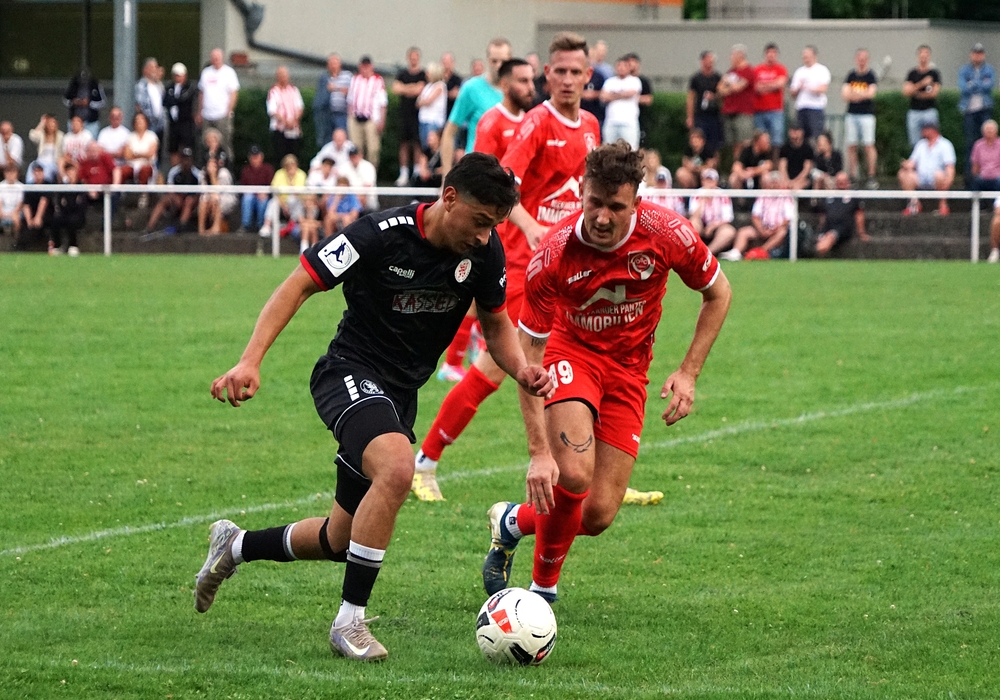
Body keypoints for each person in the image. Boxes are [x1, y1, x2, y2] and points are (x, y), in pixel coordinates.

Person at [196, 152, 552, 663]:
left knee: (340, 539)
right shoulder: (379, 234)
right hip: (347, 372)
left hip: (398, 396)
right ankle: (350, 623)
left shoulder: (485, 250)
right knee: (398, 467)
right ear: (449, 197)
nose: (483, 236)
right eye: (479, 221)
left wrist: (520, 369)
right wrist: (250, 360)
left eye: (493, 225)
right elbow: (300, 282)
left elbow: (496, 325)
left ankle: (234, 546)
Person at [481, 141, 731, 603]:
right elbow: (529, 355)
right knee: (573, 474)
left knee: (596, 514)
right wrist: (539, 451)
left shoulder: (667, 233)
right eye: (594, 202)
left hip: (630, 371)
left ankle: (512, 521)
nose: (601, 217)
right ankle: (541, 594)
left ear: (637, 201)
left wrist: (688, 372)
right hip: (570, 355)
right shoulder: (554, 253)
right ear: (582, 191)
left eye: (615, 207)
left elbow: (719, 293)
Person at [413, 32, 600, 503]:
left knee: (586, 363)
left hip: (572, 271)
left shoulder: (591, 125)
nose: (567, 79)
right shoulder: (536, 123)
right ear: (547, 75)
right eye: (560, 71)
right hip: (524, 268)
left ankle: (596, 473)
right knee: (496, 371)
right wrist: (532, 227)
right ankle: (425, 461)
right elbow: (501, 190)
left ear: (588, 76)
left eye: (576, 72)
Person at [435, 57, 535, 383]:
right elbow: (481, 172)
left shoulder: (531, 121)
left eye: (531, 80)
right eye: (522, 80)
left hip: (513, 220)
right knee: (480, 290)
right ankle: (454, 360)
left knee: (493, 293)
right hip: (492, 221)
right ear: (505, 84)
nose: (530, 87)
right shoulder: (492, 121)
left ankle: (472, 351)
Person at [441, 38, 512, 174]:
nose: (498, 66)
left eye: (503, 61)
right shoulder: (471, 88)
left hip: (506, 174)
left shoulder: (516, 91)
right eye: (494, 61)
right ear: (487, 60)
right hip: (477, 172)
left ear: (510, 60)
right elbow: (449, 132)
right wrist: (446, 178)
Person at [722, 171, 794, 261]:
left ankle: (760, 251)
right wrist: (761, 229)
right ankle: (736, 252)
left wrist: (773, 230)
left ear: (781, 184)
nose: (774, 185)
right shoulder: (763, 196)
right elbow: (755, 216)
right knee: (744, 232)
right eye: (772, 183)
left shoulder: (786, 197)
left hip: (777, 229)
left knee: (782, 232)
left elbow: (787, 219)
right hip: (763, 228)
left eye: (777, 183)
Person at [898, 119, 955, 216]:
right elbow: (912, 162)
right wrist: (906, 165)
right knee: (903, 174)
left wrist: (950, 178)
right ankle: (914, 204)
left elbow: (949, 166)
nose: (922, 131)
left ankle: (943, 204)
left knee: (940, 175)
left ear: (933, 130)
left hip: (937, 178)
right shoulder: (920, 144)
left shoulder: (945, 144)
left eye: (925, 129)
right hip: (921, 177)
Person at [841, 49, 879, 189]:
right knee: (851, 145)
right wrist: (861, 95)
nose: (862, 61)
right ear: (856, 59)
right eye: (859, 58)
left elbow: (871, 94)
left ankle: (871, 176)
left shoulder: (871, 76)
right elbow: (845, 94)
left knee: (868, 145)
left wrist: (854, 94)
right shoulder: (851, 75)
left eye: (864, 58)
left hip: (867, 115)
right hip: (852, 114)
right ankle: (852, 176)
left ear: (867, 60)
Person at [393, 47, 428, 185]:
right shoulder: (402, 73)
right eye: (411, 56)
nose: (413, 59)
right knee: (404, 143)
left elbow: (420, 89)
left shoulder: (423, 74)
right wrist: (412, 88)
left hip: (418, 115)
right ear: (408, 58)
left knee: (417, 143)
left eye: (416, 56)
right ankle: (403, 173)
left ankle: (417, 171)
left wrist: (405, 88)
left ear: (418, 58)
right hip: (404, 114)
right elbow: (396, 88)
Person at [959, 44, 995, 176]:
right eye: (975, 53)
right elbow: (963, 87)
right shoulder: (964, 70)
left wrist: (972, 83)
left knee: (986, 141)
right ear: (971, 55)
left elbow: (989, 85)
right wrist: (980, 83)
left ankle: (986, 173)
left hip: (984, 109)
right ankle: (970, 176)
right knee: (970, 143)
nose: (977, 56)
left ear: (983, 55)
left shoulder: (989, 69)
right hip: (969, 110)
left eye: (980, 53)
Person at [145, 148, 201, 234]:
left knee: (189, 201)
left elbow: (199, 193)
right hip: (176, 197)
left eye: (188, 159)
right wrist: (175, 198)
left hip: (191, 200)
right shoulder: (173, 172)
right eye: (184, 159)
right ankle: (150, 227)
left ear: (192, 160)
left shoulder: (198, 174)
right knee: (164, 200)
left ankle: (181, 226)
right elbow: (170, 189)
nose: (186, 162)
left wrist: (192, 199)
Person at [346, 57, 388, 170]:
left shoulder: (378, 80)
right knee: (356, 148)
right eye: (363, 67)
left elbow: (383, 103)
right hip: (356, 118)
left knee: (372, 149)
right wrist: (350, 117)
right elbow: (350, 100)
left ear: (371, 67)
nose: (365, 70)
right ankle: (357, 173)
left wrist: (382, 121)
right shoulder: (355, 79)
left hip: (371, 120)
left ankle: (371, 172)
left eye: (367, 67)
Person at [197, 48, 240, 156]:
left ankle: (227, 164)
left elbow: (234, 94)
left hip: (222, 115)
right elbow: (201, 93)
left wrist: (229, 111)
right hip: (207, 115)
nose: (215, 59)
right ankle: (207, 164)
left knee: (224, 144)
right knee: (205, 144)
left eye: (218, 57)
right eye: (214, 57)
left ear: (222, 58)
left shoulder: (229, 72)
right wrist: (199, 112)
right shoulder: (206, 72)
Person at [815, 171, 869, 257]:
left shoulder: (853, 197)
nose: (841, 183)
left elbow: (859, 215)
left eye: (843, 181)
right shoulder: (829, 196)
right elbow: (823, 215)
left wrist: (861, 233)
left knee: (830, 237)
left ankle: (817, 253)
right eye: (839, 181)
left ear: (848, 182)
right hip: (828, 226)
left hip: (843, 228)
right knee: (821, 237)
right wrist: (821, 228)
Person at [717, 44, 755, 160]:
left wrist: (728, 84)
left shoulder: (748, 71)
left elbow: (738, 87)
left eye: (732, 55)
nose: (731, 58)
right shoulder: (731, 71)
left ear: (740, 56)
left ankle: (745, 162)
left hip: (743, 111)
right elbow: (720, 88)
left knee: (744, 141)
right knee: (733, 143)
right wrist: (729, 87)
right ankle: (736, 163)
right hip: (729, 111)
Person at [688, 168, 737, 253]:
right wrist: (703, 200)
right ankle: (693, 252)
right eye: (707, 180)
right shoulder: (696, 194)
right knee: (693, 223)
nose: (709, 183)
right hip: (701, 224)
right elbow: (693, 215)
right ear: (702, 181)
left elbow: (727, 218)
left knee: (729, 231)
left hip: (717, 226)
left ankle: (708, 252)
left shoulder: (723, 195)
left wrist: (713, 226)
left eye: (711, 180)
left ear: (716, 182)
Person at [753, 43, 788, 158]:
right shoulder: (757, 69)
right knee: (760, 139)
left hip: (776, 110)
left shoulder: (781, 69)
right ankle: (761, 162)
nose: (771, 56)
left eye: (773, 53)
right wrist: (772, 85)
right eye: (769, 53)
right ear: (765, 55)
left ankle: (775, 164)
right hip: (759, 110)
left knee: (776, 139)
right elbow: (756, 87)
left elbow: (780, 84)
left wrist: (764, 86)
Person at [789, 46, 830, 143]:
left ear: (814, 56)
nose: (805, 58)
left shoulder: (822, 70)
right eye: (804, 56)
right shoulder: (799, 72)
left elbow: (823, 88)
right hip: (801, 108)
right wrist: (799, 88)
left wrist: (808, 88)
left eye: (807, 56)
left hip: (816, 108)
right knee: (801, 137)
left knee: (816, 136)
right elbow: (793, 93)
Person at [260, 154, 307, 238]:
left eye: (292, 166)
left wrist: (291, 182)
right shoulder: (279, 173)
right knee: (273, 202)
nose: (290, 169)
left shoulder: (301, 174)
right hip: (281, 202)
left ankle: (293, 226)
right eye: (288, 167)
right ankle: (267, 225)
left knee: (293, 199)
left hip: (296, 203)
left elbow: (300, 194)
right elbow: (274, 191)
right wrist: (283, 205)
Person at [903, 45, 941, 147]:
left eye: (926, 54)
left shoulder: (934, 74)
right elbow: (906, 92)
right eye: (921, 54)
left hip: (929, 111)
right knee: (915, 143)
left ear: (929, 56)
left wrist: (916, 93)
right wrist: (922, 84)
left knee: (932, 141)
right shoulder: (912, 74)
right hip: (914, 112)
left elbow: (934, 93)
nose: (923, 56)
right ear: (918, 56)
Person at [600, 56, 642, 149]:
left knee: (630, 149)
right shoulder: (609, 81)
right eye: (619, 65)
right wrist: (622, 95)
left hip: (628, 123)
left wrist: (613, 95)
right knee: (608, 149)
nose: (621, 68)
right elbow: (603, 96)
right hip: (611, 122)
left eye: (624, 66)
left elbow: (631, 93)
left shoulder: (634, 81)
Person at [686, 51, 723, 154]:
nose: (710, 62)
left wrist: (714, 96)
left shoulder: (717, 77)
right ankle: (698, 160)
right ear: (702, 61)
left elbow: (722, 95)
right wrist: (690, 117)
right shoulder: (696, 78)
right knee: (698, 141)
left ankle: (713, 161)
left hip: (714, 115)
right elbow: (691, 98)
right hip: (700, 115)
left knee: (714, 143)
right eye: (708, 59)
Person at [314, 54, 353, 149]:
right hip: (328, 113)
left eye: (335, 63)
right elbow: (319, 98)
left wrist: (340, 90)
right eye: (331, 64)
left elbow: (353, 92)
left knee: (342, 138)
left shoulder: (347, 76)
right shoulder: (324, 78)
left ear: (340, 64)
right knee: (327, 140)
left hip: (342, 113)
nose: (333, 66)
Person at [267, 66, 305, 161]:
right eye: (281, 75)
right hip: (280, 130)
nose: (284, 78)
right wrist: (285, 122)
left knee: (295, 156)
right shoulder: (273, 91)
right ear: (277, 77)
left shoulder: (294, 90)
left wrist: (294, 120)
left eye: (285, 75)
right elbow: (272, 111)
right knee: (281, 157)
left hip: (294, 129)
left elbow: (300, 107)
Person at [49, 162, 87, 257]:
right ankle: (58, 246)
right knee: (55, 220)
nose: (70, 174)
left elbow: (81, 204)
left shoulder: (81, 186)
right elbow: (60, 203)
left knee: (73, 220)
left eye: (72, 171)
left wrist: (69, 204)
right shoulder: (63, 187)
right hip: (65, 213)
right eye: (68, 172)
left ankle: (73, 245)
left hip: (78, 214)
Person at [163, 62, 198, 165]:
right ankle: (175, 169)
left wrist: (174, 101)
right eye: (176, 75)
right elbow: (165, 101)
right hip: (173, 124)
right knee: (173, 148)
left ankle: (186, 168)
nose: (178, 78)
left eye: (180, 75)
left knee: (187, 148)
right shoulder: (169, 87)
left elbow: (184, 99)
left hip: (185, 123)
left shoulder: (189, 87)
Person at [239, 144, 274, 233]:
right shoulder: (245, 170)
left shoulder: (268, 169)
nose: (255, 159)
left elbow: (271, 185)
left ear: (261, 157)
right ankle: (245, 226)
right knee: (247, 198)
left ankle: (261, 225)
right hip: (250, 195)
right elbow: (242, 187)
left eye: (257, 157)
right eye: (253, 157)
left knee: (263, 201)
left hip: (264, 196)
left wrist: (265, 193)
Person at [197, 157, 236, 236]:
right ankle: (201, 230)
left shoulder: (224, 173)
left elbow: (219, 191)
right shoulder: (203, 173)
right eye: (210, 165)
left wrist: (213, 176)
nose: (212, 167)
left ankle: (216, 228)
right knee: (203, 201)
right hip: (210, 197)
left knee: (217, 200)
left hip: (226, 198)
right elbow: (203, 191)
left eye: (214, 165)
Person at [63, 68, 105, 138]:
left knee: (91, 141)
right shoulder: (73, 85)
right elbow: (65, 99)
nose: (83, 80)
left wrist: (89, 103)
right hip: (75, 122)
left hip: (91, 123)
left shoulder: (95, 85)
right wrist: (73, 102)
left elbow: (102, 102)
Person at [17, 162, 51, 248]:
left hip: (45, 215)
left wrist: (38, 217)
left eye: (39, 171)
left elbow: (44, 201)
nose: (37, 174)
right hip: (31, 215)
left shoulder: (48, 185)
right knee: (24, 226)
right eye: (35, 172)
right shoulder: (30, 187)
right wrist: (29, 221)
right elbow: (26, 205)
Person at [416, 62, 448, 151]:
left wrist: (422, 101)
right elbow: (419, 101)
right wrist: (422, 101)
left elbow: (429, 101)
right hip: (424, 119)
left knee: (432, 144)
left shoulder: (440, 85)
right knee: (424, 145)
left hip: (433, 120)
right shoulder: (428, 86)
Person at [123, 112, 159, 187]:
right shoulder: (130, 136)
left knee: (144, 171)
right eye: (137, 120)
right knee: (123, 171)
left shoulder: (152, 136)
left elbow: (150, 154)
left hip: (147, 165)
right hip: (132, 165)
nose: (139, 122)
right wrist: (143, 154)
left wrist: (135, 154)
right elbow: (127, 155)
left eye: (141, 120)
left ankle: (143, 192)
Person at [134, 57, 166, 143]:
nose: (155, 70)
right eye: (152, 67)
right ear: (145, 70)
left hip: (159, 125)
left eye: (156, 67)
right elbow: (140, 105)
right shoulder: (141, 86)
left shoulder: (158, 86)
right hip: (148, 125)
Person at [625, 53, 653, 147]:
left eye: (633, 62)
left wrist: (631, 99)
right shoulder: (622, 81)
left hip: (640, 118)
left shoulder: (643, 81)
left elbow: (648, 99)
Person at [340, 144, 379, 211]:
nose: (353, 158)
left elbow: (368, 187)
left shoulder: (368, 167)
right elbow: (341, 184)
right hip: (348, 197)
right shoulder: (343, 167)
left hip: (367, 199)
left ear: (360, 155)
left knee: (361, 198)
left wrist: (355, 197)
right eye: (351, 156)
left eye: (355, 156)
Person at [27, 114, 63, 184]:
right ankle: (30, 185)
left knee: (46, 170)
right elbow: (32, 136)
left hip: (53, 162)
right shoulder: (42, 134)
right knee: (32, 166)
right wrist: (42, 123)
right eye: (49, 122)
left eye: (53, 122)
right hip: (40, 161)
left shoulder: (60, 135)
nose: (51, 125)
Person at [778, 122, 814, 190]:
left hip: (802, 178)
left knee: (798, 187)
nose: (794, 133)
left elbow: (806, 169)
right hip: (787, 176)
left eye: (797, 130)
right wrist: (786, 180)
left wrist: (795, 181)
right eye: (792, 130)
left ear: (802, 132)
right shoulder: (785, 148)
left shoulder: (808, 148)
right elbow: (782, 166)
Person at [970, 119, 1000, 191]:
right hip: (983, 177)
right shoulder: (978, 145)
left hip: (998, 177)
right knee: (976, 182)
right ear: (983, 132)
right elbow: (975, 165)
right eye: (987, 130)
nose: (989, 132)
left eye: (991, 129)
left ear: (996, 131)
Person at [0, 162, 24, 239]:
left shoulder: (21, 186)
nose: (10, 175)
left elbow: (20, 203)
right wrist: (2, 212)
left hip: (16, 211)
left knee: (16, 219)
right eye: (8, 172)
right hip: (3, 210)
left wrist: (14, 213)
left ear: (17, 173)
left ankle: (15, 241)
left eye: (13, 172)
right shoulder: (1, 186)